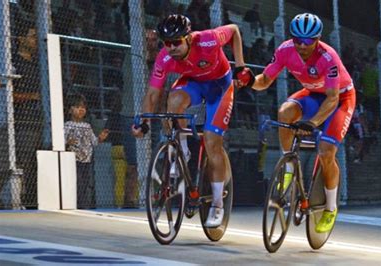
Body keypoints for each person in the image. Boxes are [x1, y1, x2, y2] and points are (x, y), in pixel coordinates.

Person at [132, 14, 249, 227]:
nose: (171, 48)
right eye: (167, 43)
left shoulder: (208, 39)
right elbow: (151, 94)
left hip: (220, 88)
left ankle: (216, 204)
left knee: (213, 142)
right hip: (193, 84)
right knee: (172, 103)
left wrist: (240, 66)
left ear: (189, 38)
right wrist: (143, 122)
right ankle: (181, 149)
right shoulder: (164, 58)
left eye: (176, 42)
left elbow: (233, 30)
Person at [243, 13, 356, 233]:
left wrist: (313, 123)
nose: (302, 46)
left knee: (325, 152)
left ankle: (330, 208)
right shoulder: (286, 50)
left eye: (308, 41)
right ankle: (287, 166)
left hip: (340, 99)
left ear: (318, 38)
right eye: (297, 40)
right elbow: (264, 81)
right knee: (285, 112)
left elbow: (332, 99)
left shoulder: (328, 57)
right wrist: (248, 81)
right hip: (313, 93)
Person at [65, 94, 109, 209]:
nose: (81, 109)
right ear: (70, 110)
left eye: (83, 107)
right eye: (77, 107)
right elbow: (63, 141)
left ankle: (83, 204)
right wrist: (67, 142)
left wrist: (100, 138)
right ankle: (75, 204)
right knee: (77, 182)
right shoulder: (67, 125)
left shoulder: (87, 126)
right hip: (74, 160)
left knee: (85, 183)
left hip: (86, 159)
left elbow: (93, 142)